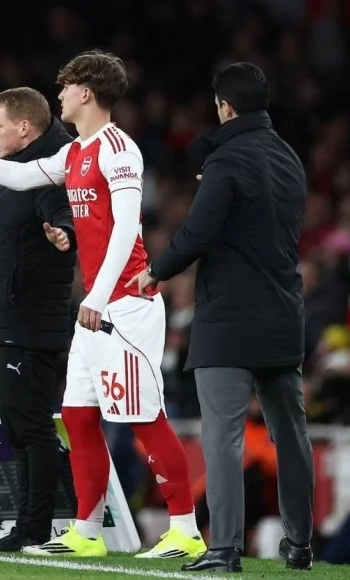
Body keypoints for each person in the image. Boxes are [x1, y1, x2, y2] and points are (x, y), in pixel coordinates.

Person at [0, 50, 205, 559]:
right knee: (78, 415)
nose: (58, 95)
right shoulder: (75, 152)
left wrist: (99, 296)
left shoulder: (119, 149)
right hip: (98, 307)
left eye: (65, 88)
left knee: (144, 417)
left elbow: (128, 227)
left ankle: (185, 530)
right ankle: (85, 531)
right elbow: (16, 176)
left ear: (85, 91)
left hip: (125, 305)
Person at [128, 62, 313, 573]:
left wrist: (155, 272)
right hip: (282, 314)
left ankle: (225, 548)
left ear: (224, 107)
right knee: (291, 435)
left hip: (230, 319)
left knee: (223, 436)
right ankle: (299, 545)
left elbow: (198, 231)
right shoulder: (289, 158)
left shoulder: (228, 160)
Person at [0, 87, 77, 551]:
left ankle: (33, 529)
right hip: (9, 316)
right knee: (18, 427)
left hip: (32, 321)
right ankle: (28, 528)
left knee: (32, 429)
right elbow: (3, 251)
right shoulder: (14, 172)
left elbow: (62, 213)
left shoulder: (49, 172)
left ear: (24, 128)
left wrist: (64, 233)